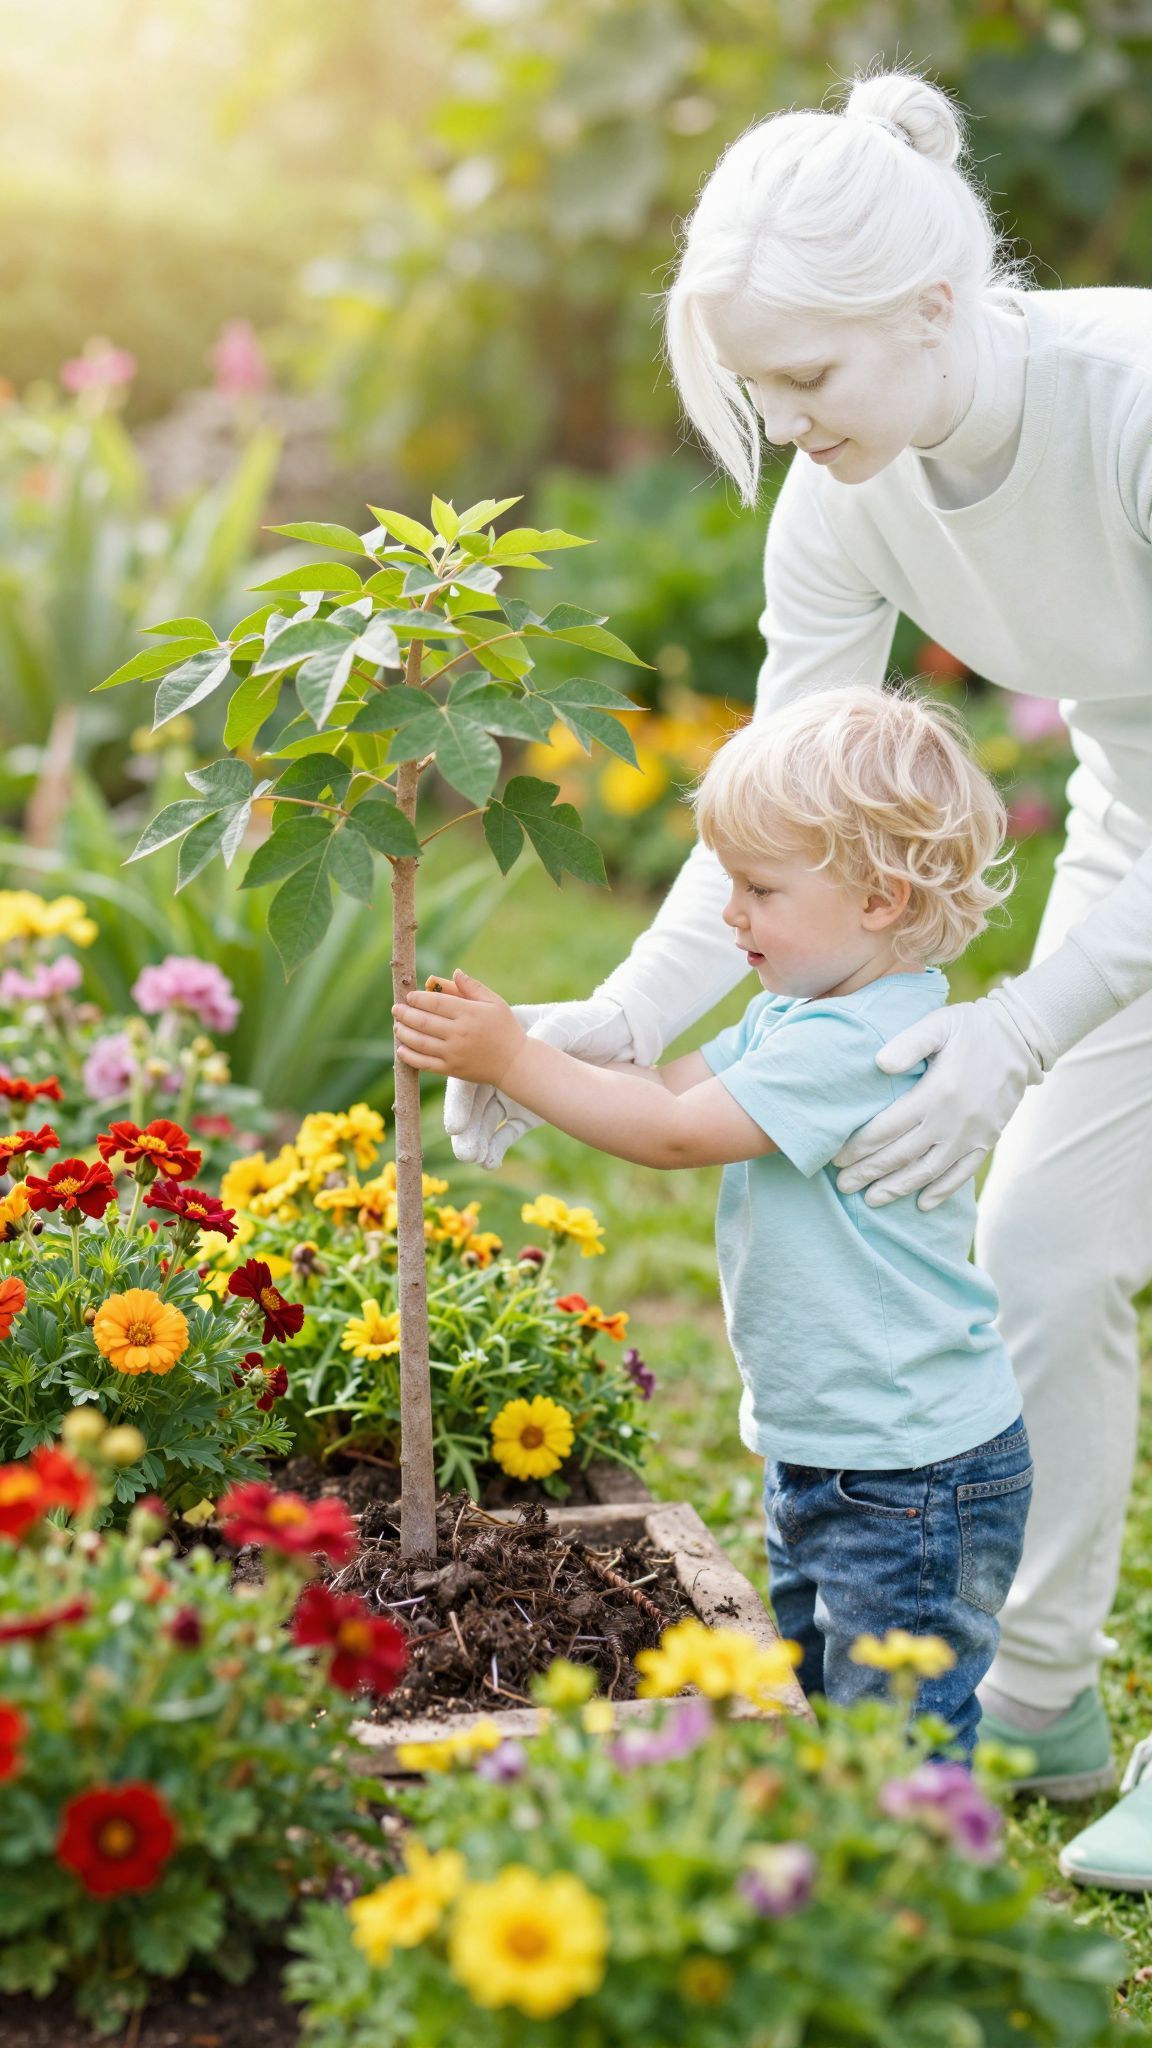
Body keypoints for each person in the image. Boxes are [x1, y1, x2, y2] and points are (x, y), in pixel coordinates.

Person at [443, 65, 1152, 1882]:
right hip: (1132, 856)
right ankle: (1039, 1692)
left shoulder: (1128, 404)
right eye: (754, 386)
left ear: (933, 305)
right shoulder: (847, 488)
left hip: (1108, 900)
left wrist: (1018, 1026)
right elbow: (769, 801)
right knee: (1041, 1256)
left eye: (807, 379)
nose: (781, 421)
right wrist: (619, 1015)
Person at [397, 686, 1033, 1752]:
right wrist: (552, 1047)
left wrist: (514, 1058)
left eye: (759, 887)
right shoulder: (804, 1011)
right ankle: (853, 1880)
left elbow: (677, 1130)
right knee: (835, 1706)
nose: (730, 912)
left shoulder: (862, 1045)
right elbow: (665, 1075)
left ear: (877, 897)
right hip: (840, 1449)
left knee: (900, 1740)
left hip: (912, 1476)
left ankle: (914, 1906)